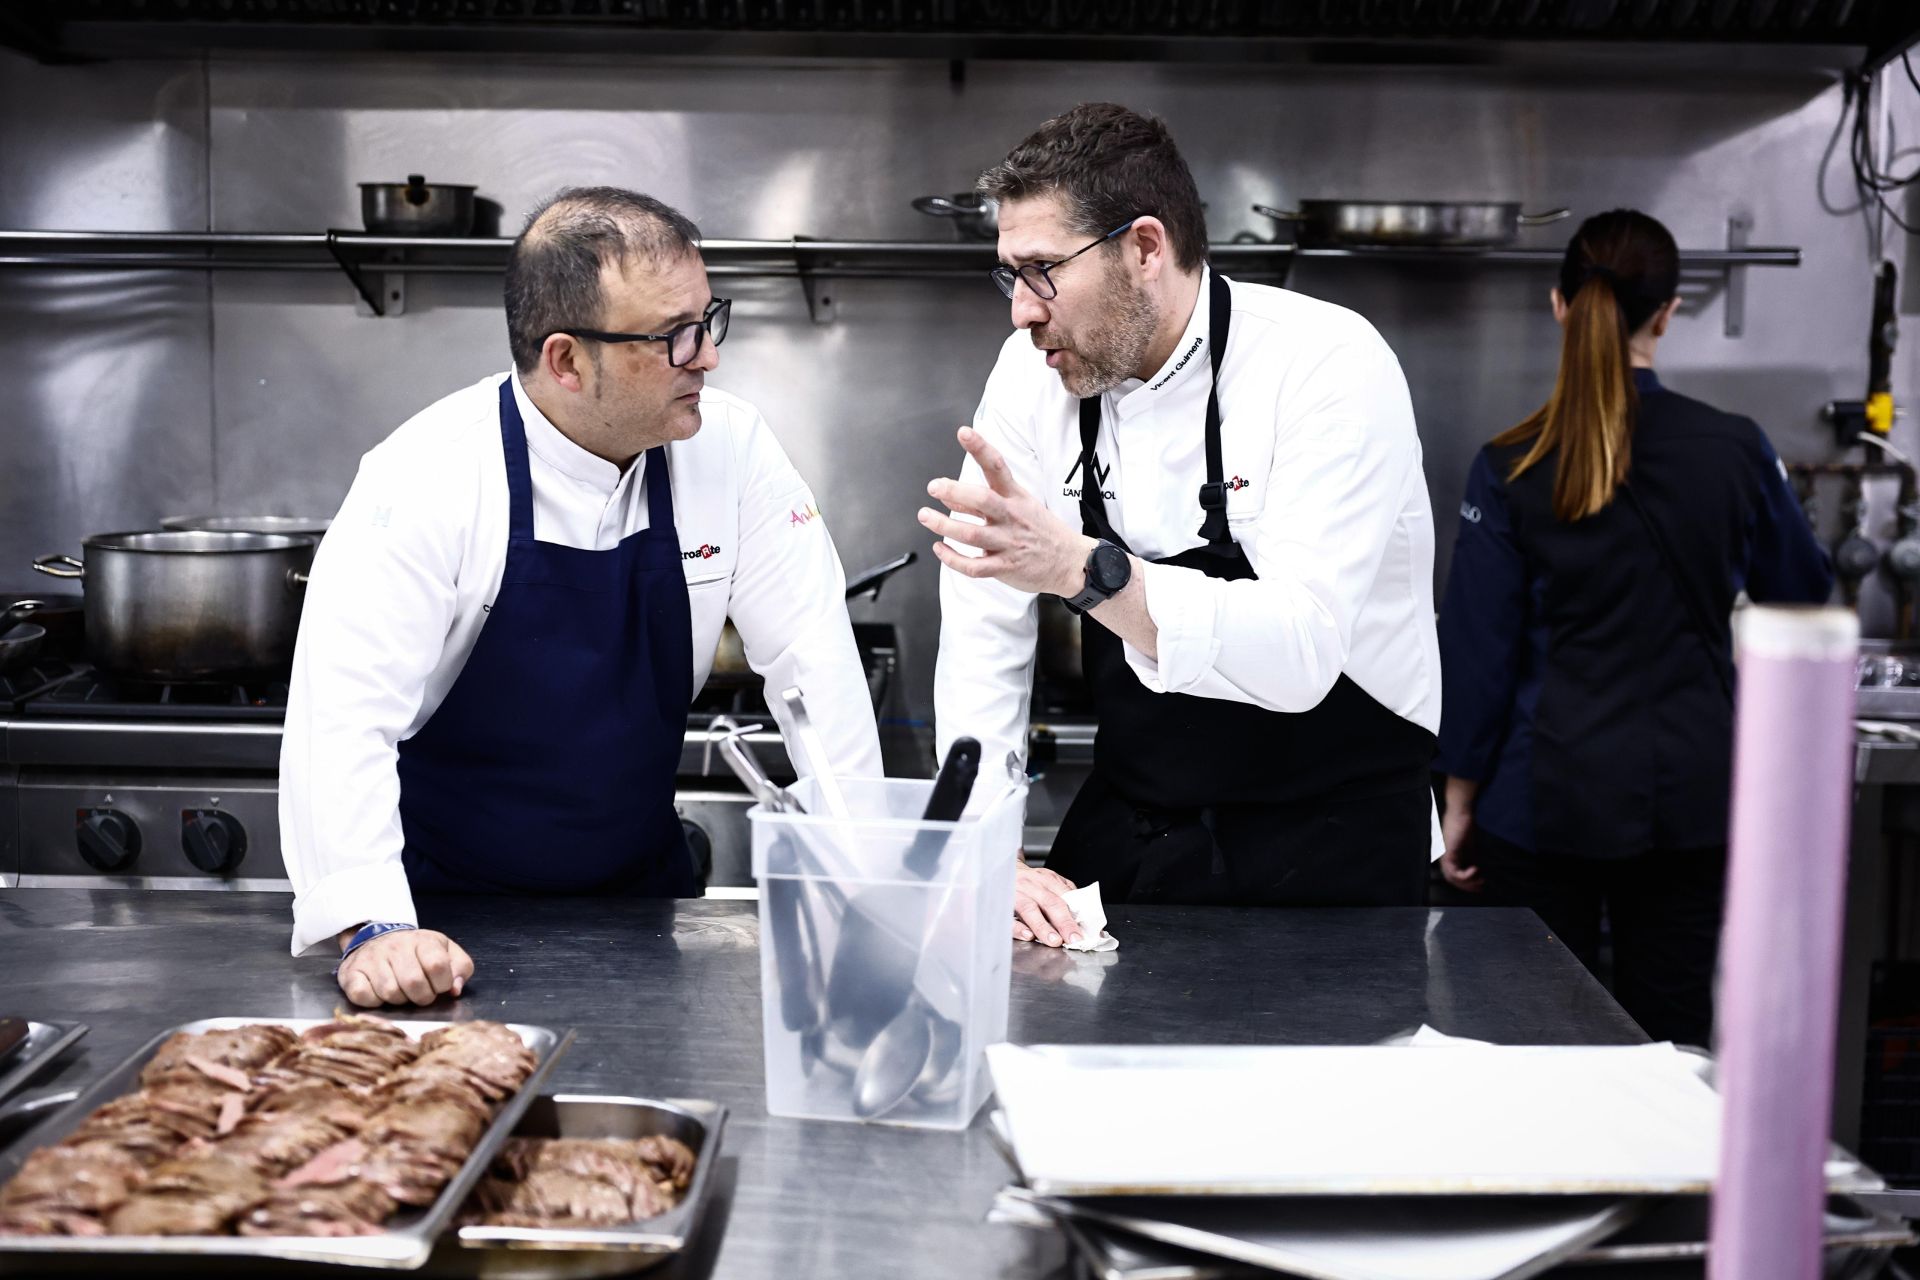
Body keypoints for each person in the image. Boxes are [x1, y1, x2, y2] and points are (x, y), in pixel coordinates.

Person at [282, 187, 881, 1006]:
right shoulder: (424, 478)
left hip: (646, 909)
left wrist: (872, 874)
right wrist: (373, 924)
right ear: (566, 360)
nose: (707, 356)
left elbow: (816, 672)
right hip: (442, 931)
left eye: (709, 320)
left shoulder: (731, 449)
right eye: (674, 336)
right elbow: (343, 720)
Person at [924, 103, 1441, 947]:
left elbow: (1302, 653)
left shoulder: (1327, 365)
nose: (1021, 311)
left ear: (1145, 249)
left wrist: (1084, 570)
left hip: (1336, 843)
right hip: (1144, 819)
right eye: (1009, 276)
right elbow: (986, 622)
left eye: (1044, 270)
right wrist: (987, 850)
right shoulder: (1032, 375)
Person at [1434, 208, 1833, 1045]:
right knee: (1676, 1033)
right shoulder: (1737, 449)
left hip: (1540, 803)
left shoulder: (1511, 464)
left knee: (1530, 1040)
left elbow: (1478, 653)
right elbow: (1803, 597)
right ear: (1668, 311)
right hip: (1691, 800)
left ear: (1558, 305)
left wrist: (1456, 803)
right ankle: (1664, 1182)